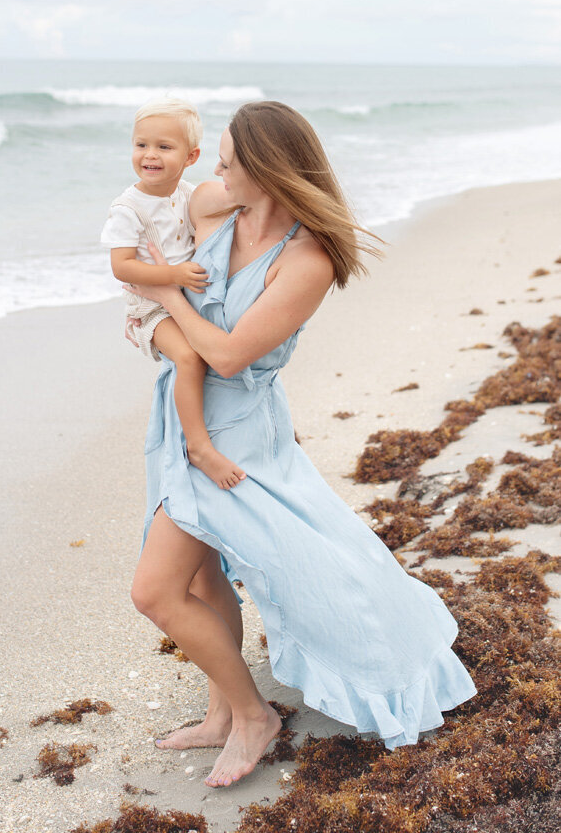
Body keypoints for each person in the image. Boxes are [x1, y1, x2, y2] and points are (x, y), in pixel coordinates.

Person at [126, 101, 477, 789]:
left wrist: (161, 304)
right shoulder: (213, 207)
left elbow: (226, 357)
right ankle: (222, 712)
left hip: (234, 437)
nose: (217, 172)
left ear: (269, 170)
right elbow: (138, 233)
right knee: (201, 576)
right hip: (182, 415)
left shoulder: (307, 260)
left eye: (230, 163)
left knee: (155, 592)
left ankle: (256, 716)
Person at [101, 97, 246, 489]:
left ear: (191, 155)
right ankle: (199, 448)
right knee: (188, 358)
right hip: (151, 306)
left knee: (227, 345)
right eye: (141, 145)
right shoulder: (128, 208)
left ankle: (240, 428)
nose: (150, 155)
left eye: (164, 147)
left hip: (187, 295)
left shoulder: (189, 192)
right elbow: (121, 267)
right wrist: (174, 274)